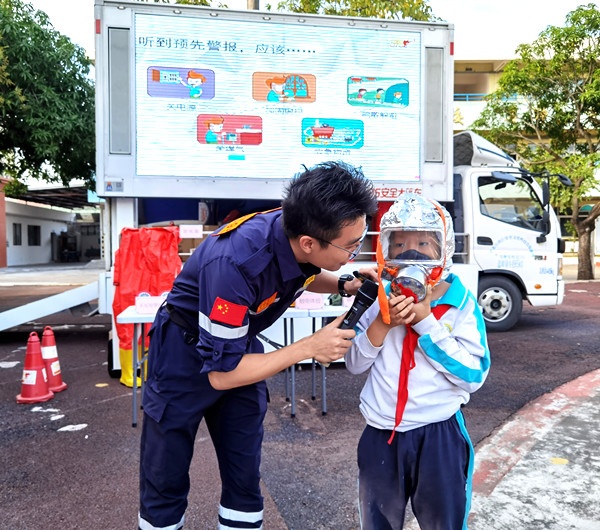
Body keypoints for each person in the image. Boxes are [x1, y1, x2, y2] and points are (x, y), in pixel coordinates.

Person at [138, 161, 378, 530]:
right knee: (165, 472)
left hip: (237, 342)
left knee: (244, 471)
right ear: (309, 242)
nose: (355, 252)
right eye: (351, 246)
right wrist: (308, 347)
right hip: (182, 355)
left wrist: (345, 283)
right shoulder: (235, 263)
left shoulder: (295, 229)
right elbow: (221, 375)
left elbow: (304, 274)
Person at [345, 193, 491, 530]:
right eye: (400, 244)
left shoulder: (460, 304)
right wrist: (383, 324)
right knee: (377, 523)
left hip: (439, 433)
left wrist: (427, 323)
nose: (412, 253)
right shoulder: (378, 297)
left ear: (444, 248)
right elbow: (353, 364)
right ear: (385, 250)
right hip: (381, 433)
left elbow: (473, 375)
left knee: (444, 522)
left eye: (424, 243)